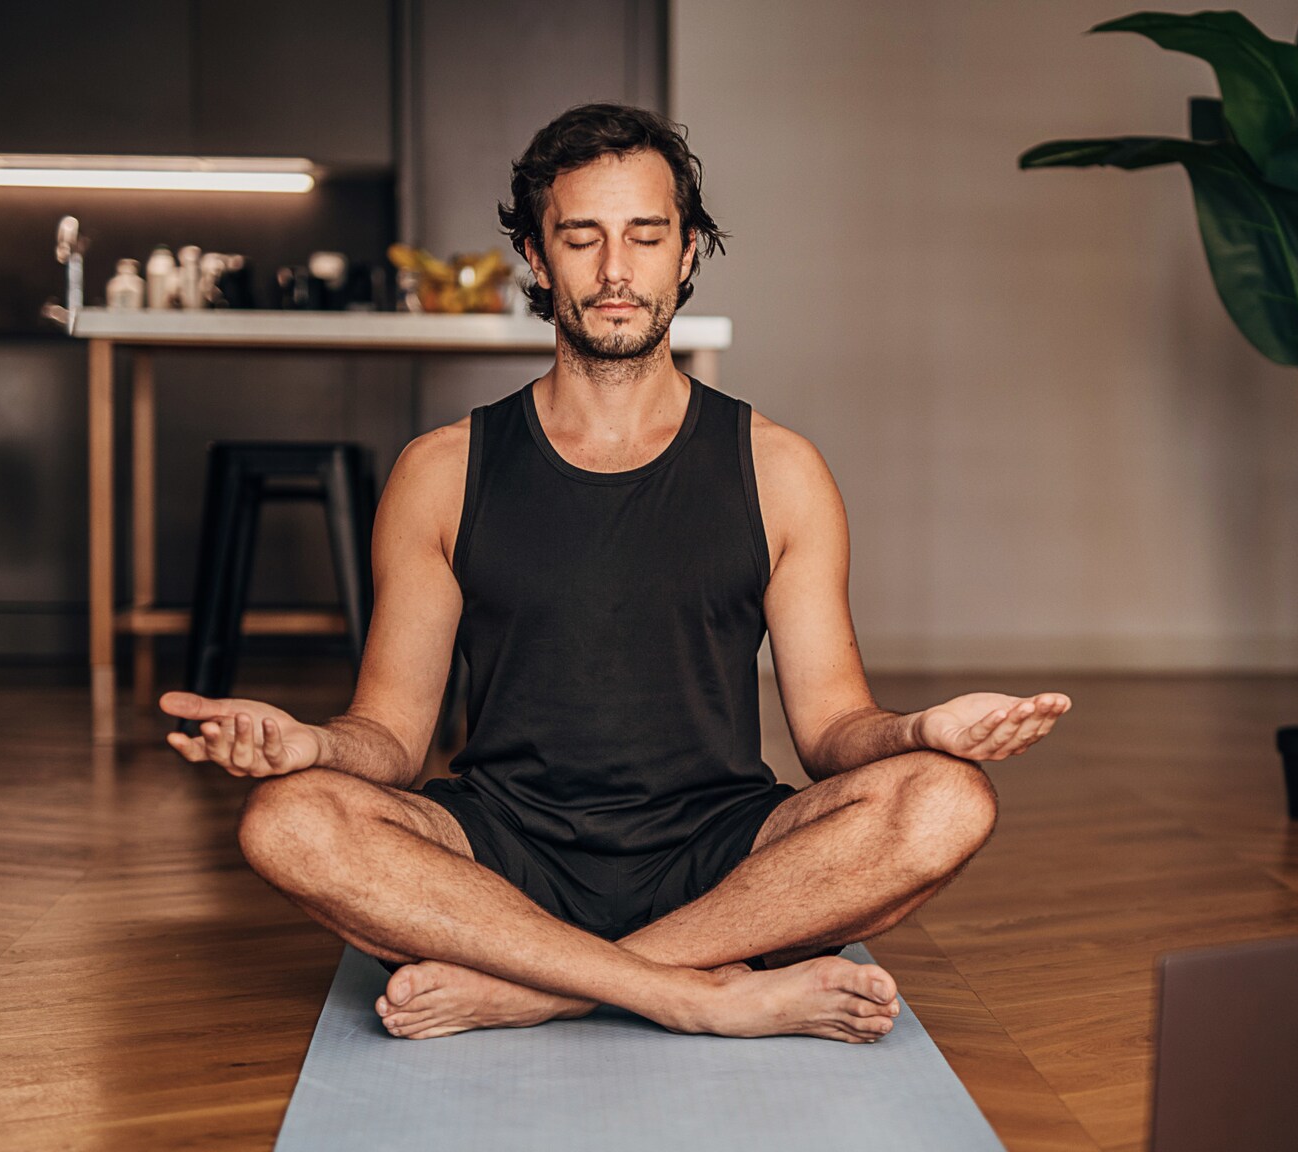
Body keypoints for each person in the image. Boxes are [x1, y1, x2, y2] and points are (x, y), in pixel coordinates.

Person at [160, 103, 1071, 1044]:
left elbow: (832, 731)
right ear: (535, 256)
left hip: (720, 856)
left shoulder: (780, 468)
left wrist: (924, 729)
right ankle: (690, 990)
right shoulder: (439, 471)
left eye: (645, 235)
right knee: (287, 821)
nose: (614, 272)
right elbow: (391, 737)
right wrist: (312, 748)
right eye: (581, 238)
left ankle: (541, 984)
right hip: (499, 850)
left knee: (946, 801)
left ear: (686, 253)